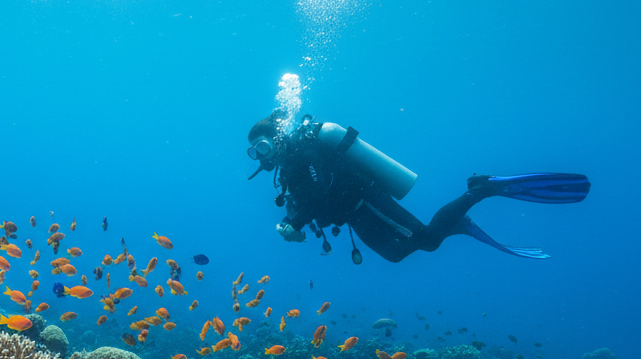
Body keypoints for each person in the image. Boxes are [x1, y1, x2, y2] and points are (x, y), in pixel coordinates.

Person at [247, 112, 590, 263]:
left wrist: (294, 222)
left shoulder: (304, 151)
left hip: (367, 201)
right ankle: (458, 224)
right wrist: (296, 224)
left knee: (426, 241)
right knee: (396, 256)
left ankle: (480, 190)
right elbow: (311, 200)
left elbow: (321, 191)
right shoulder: (288, 168)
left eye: (262, 147)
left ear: (274, 139)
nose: (260, 156)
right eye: (254, 153)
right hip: (354, 216)